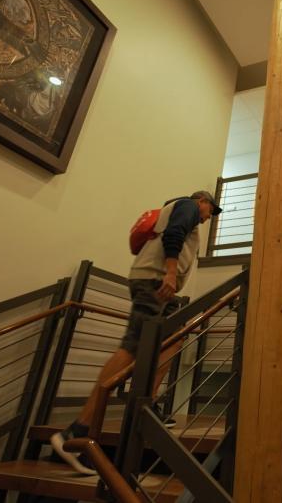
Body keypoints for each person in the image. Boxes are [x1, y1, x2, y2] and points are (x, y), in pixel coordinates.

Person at [51, 190, 221, 475]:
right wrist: (170, 273)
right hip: (155, 282)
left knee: (174, 340)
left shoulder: (182, 212)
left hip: (162, 288)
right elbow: (173, 235)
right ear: (203, 202)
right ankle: (76, 431)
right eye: (210, 211)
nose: (208, 218)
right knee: (132, 347)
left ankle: (148, 406)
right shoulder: (188, 206)